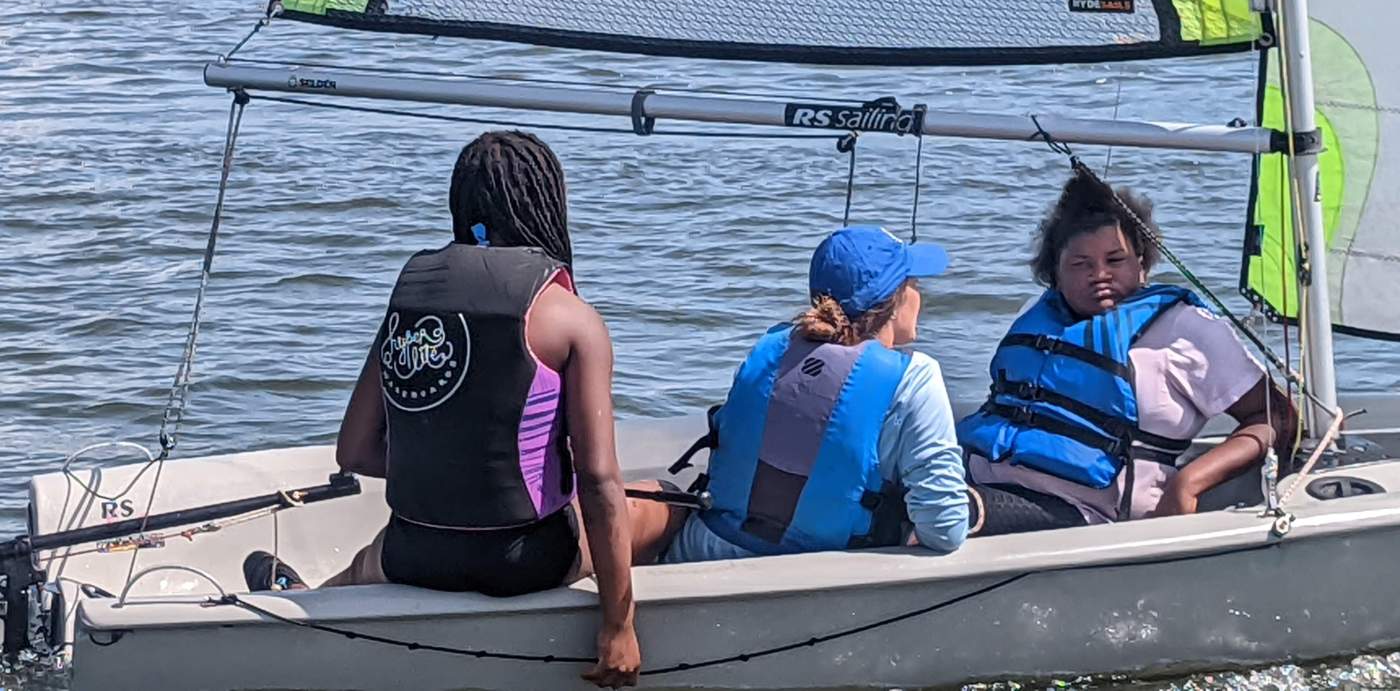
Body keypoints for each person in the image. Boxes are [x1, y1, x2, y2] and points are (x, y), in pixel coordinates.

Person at [242, 131, 640, 688]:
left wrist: (448, 466)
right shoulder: (572, 318)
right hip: (524, 563)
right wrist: (618, 625)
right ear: (548, 205)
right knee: (652, 508)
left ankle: (308, 607)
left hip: (416, 555)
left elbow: (354, 450)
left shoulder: (412, 298)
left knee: (372, 559)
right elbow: (598, 481)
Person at [957, 172, 1295, 534]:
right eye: (1080, 264)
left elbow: (1278, 417)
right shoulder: (1036, 314)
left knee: (940, 515)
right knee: (898, 495)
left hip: (1084, 513)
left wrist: (1189, 481)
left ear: (1142, 263)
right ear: (1055, 272)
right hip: (979, 477)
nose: (1099, 275)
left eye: (1115, 261)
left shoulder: (1185, 330)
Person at [645, 226, 969, 563]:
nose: (919, 290)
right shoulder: (916, 378)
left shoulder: (771, 346)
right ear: (896, 298)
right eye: (913, 282)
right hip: (811, 579)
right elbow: (945, 530)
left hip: (699, 553)